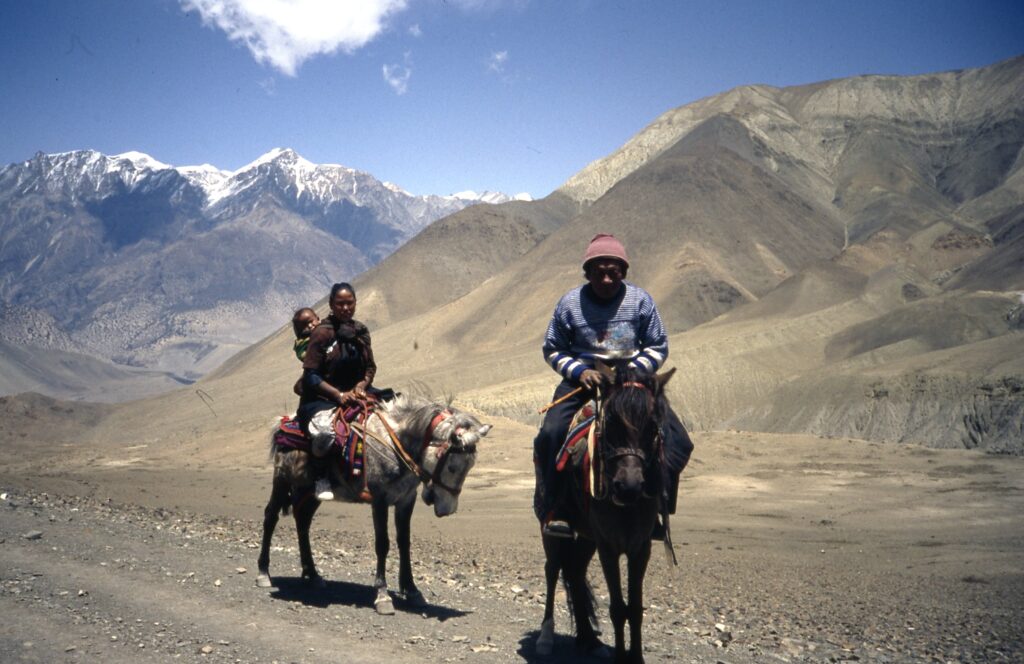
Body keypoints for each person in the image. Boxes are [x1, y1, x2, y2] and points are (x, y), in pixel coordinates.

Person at [534, 233, 693, 538]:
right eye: (599, 271)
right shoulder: (570, 304)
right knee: (551, 434)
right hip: (584, 381)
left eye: (613, 271)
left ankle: (658, 508)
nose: (606, 278)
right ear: (587, 272)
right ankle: (558, 509)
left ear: (623, 272)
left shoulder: (640, 301)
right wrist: (579, 371)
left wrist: (632, 373)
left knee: (679, 441)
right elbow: (553, 348)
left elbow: (658, 345)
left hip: (631, 382)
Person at [297, 282, 376, 501]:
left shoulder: (361, 331)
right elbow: (311, 375)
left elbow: (370, 367)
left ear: (355, 304)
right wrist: (339, 395)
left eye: (349, 303)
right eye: (340, 303)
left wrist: (361, 385)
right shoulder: (322, 333)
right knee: (325, 433)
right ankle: (321, 477)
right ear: (331, 304)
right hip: (321, 398)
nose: (345, 308)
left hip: (357, 393)